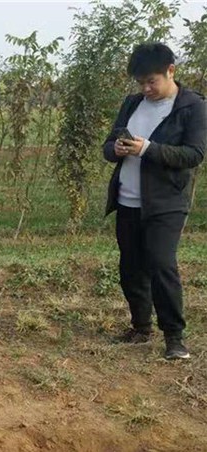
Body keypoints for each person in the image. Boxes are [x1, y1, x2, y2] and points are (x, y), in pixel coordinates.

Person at [103, 42, 206, 360]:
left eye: (152, 81)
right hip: (129, 200)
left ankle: (174, 337)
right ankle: (140, 327)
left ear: (170, 71)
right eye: (140, 82)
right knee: (131, 267)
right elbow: (108, 145)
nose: (145, 88)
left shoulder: (192, 107)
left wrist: (148, 149)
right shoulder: (133, 102)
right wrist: (116, 149)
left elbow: (194, 154)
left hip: (166, 203)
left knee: (161, 265)